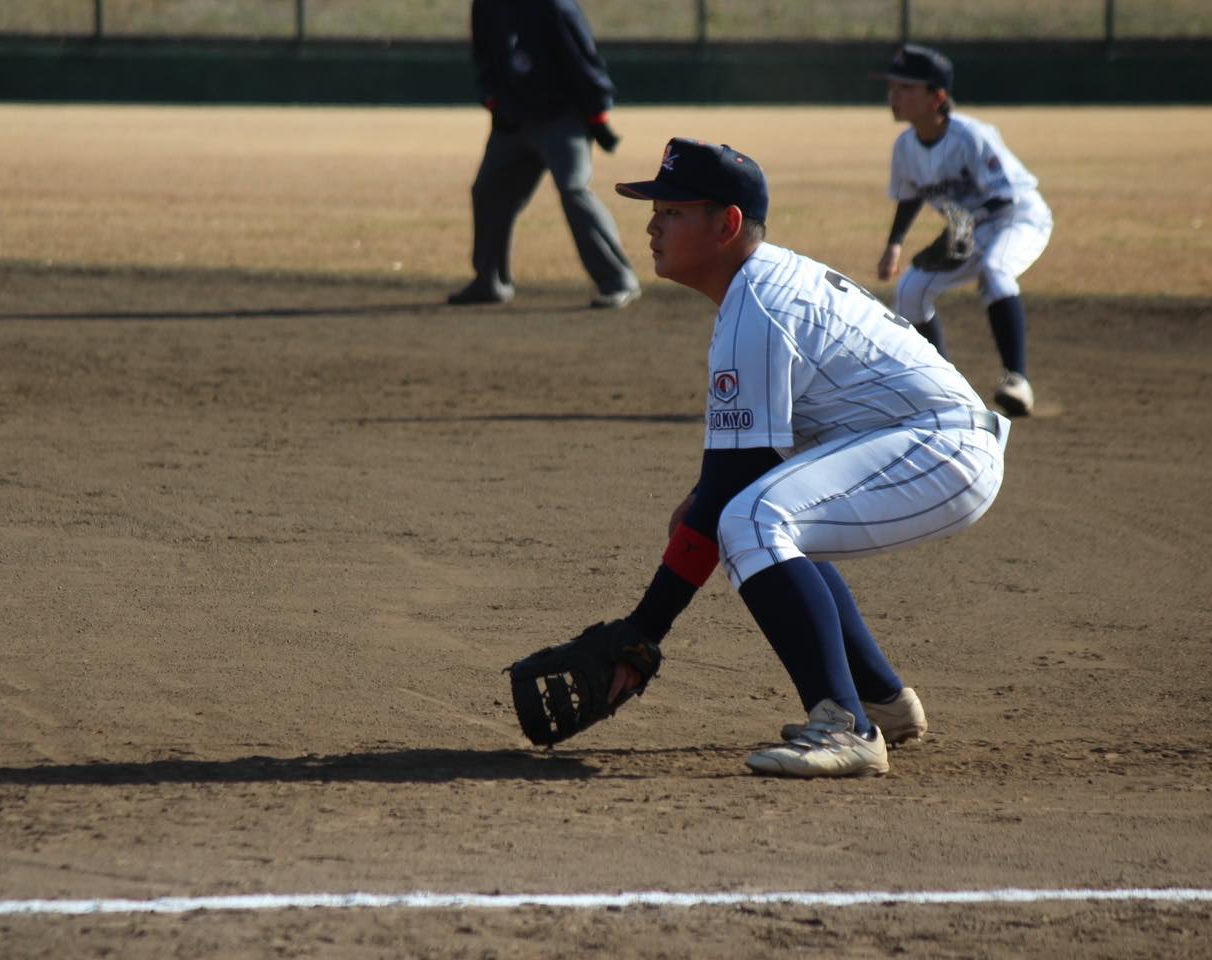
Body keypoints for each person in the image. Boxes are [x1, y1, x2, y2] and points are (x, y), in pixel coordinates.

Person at [598, 138, 1010, 777]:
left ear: (727, 224)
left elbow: (728, 495)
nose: (653, 225)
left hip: (942, 448)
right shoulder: (759, 286)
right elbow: (735, 476)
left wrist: (643, 632)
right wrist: (701, 508)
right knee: (762, 513)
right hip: (929, 440)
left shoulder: (758, 306)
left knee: (751, 518)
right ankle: (880, 699)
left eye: (673, 211)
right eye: (655, 210)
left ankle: (845, 727)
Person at [875, 44, 1054, 417]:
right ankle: (945, 389)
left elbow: (1007, 194)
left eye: (905, 88)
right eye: (892, 87)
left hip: (1018, 218)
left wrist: (964, 226)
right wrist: (894, 244)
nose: (894, 96)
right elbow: (910, 196)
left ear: (937, 97)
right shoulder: (905, 146)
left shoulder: (971, 136)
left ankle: (1017, 380)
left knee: (995, 270)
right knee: (909, 291)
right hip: (969, 230)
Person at [447, 0, 641, 310]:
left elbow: (582, 57)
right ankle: (490, 281)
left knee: (574, 190)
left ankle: (618, 280)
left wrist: (597, 114)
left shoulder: (553, 5)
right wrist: (491, 98)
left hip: (561, 119)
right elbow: (483, 55)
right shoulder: (485, 5)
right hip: (512, 121)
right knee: (487, 192)